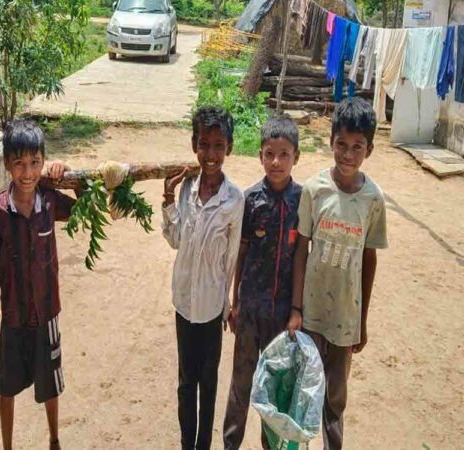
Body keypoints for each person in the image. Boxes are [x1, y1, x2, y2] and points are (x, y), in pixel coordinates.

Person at [287, 97, 388, 450]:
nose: (347, 154)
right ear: (330, 142)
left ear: (369, 150)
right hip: (312, 314)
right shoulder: (315, 190)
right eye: (341, 145)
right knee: (305, 388)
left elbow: (369, 258)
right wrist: (297, 308)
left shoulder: (373, 199)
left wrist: (362, 320)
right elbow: (301, 249)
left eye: (357, 147)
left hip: (346, 316)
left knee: (336, 398)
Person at [0, 119, 77, 450]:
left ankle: (54, 439)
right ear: (7, 163)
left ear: (43, 161)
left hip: (46, 313)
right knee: (6, 389)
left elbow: (87, 208)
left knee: (50, 386)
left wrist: (70, 175)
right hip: (13, 316)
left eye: (35, 162)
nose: (27, 172)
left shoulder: (49, 200)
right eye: (19, 163)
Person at [162, 106, 244, 450]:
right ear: (194, 144)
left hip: (212, 307)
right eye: (204, 144)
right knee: (186, 382)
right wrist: (168, 200)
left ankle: (202, 446)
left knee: (208, 383)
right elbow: (176, 239)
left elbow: (233, 256)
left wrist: (230, 303)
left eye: (218, 146)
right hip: (184, 302)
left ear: (229, 148)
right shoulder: (185, 189)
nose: (210, 155)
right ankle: (186, 443)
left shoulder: (234, 200)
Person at [223, 115, 301, 450]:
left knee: (276, 389)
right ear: (259, 155)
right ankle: (230, 444)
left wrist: (297, 308)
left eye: (284, 154)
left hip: (283, 316)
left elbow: (302, 257)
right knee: (241, 385)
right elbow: (239, 253)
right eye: (269, 153)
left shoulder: (303, 201)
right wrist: (235, 301)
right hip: (251, 310)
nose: (276, 162)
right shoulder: (249, 199)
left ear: (296, 157)